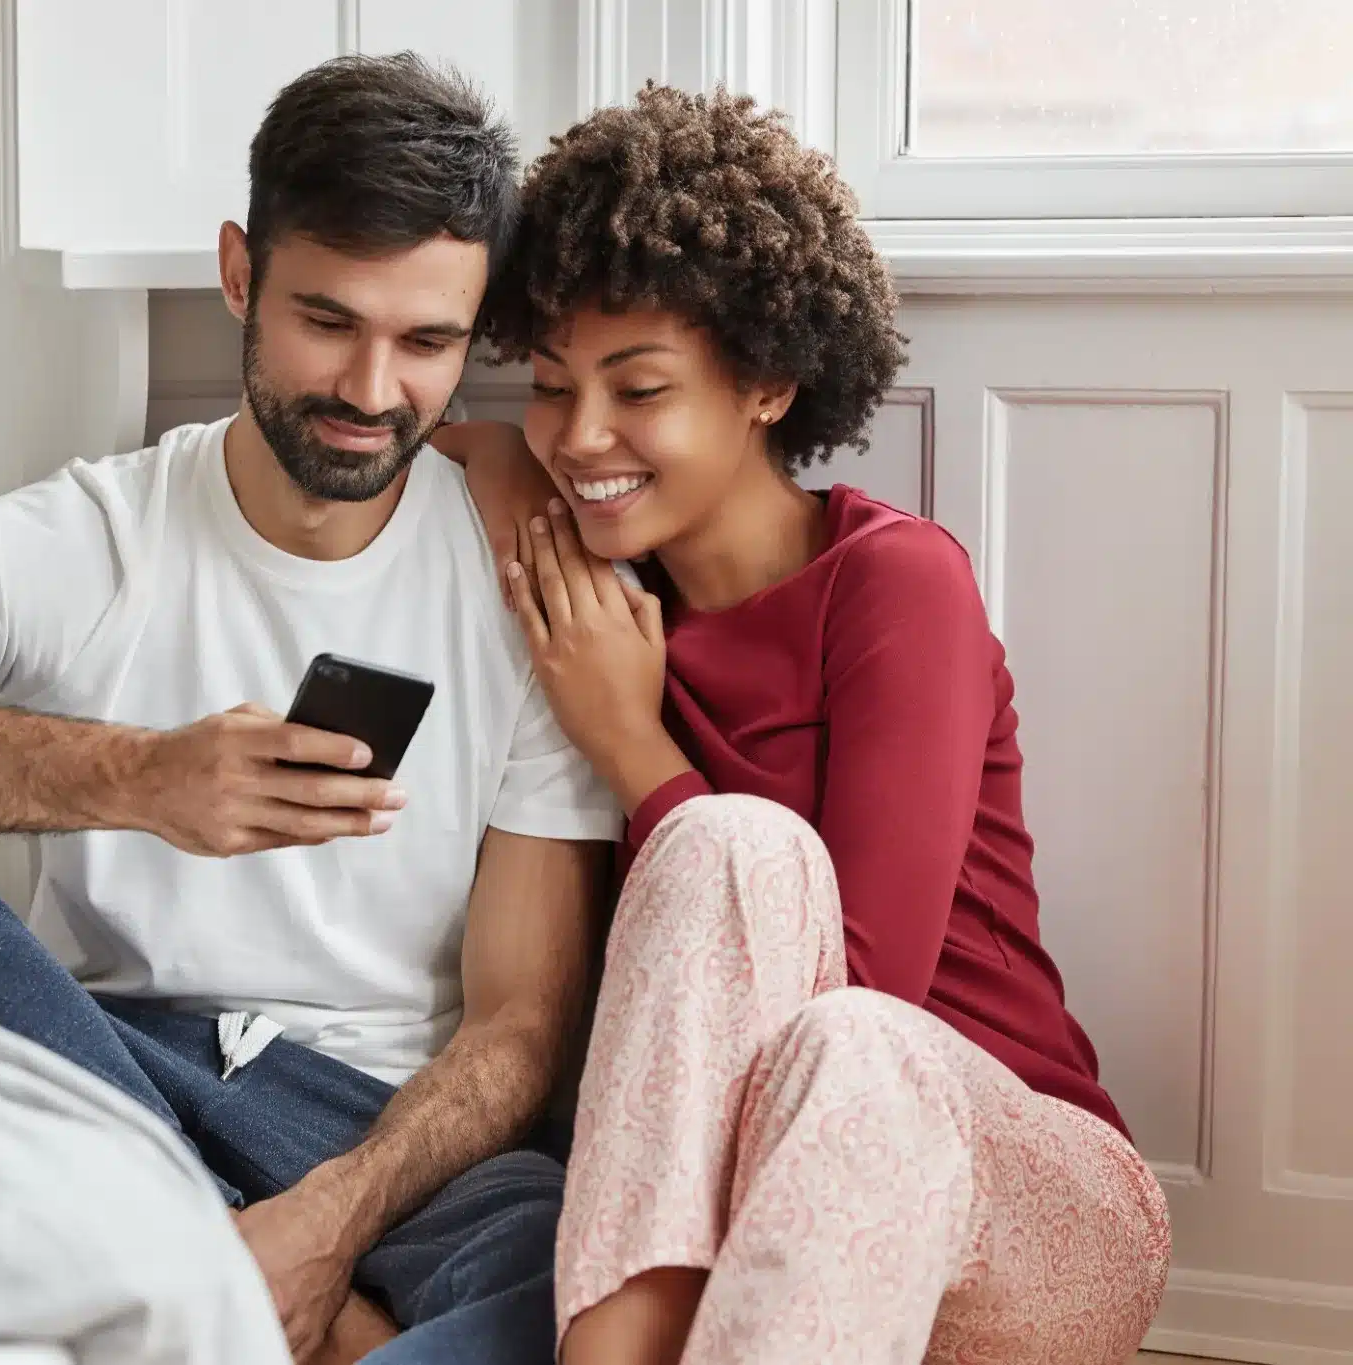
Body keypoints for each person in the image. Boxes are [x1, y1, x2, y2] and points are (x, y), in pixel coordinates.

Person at [0, 54, 625, 1365]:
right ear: (240, 275)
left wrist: (332, 1218)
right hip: (102, 1065)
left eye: (428, 342)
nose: (371, 389)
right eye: (325, 320)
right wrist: (137, 779)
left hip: (384, 1126)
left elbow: (520, 1023)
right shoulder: (95, 537)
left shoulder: (530, 579)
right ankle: (212, 1261)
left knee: (567, 1272)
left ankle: (173, 1262)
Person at [433, 85, 1172, 1364]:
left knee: (759, 891)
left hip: (1019, 1201)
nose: (580, 437)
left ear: (768, 380)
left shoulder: (894, 583)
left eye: (638, 387)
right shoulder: (597, 603)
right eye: (549, 389)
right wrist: (492, 455)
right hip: (751, 1255)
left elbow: (860, 998)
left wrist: (632, 749)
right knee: (729, 854)